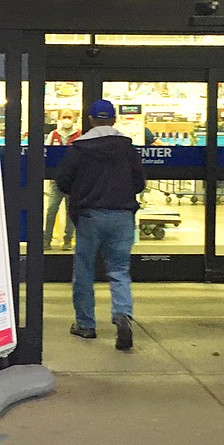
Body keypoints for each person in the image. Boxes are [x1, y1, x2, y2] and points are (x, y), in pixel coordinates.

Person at [57, 99, 146, 350]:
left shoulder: (78, 148)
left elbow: (63, 181)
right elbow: (139, 182)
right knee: (119, 270)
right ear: (114, 120)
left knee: (84, 270)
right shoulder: (127, 148)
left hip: (89, 216)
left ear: (90, 120)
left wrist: (81, 192)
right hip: (122, 216)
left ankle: (85, 324)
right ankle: (122, 315)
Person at [45, 109, 82, 249]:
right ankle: (46, 240)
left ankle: (68, 240)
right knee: (51, 210)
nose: (67, 119)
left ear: (74, 118)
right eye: (64, 117)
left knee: (70, 211)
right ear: (59, 118)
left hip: (73, 181)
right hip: (56, 180)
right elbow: (46, 153)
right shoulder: (53, 135)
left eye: (69, 117)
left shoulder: (80, 135)